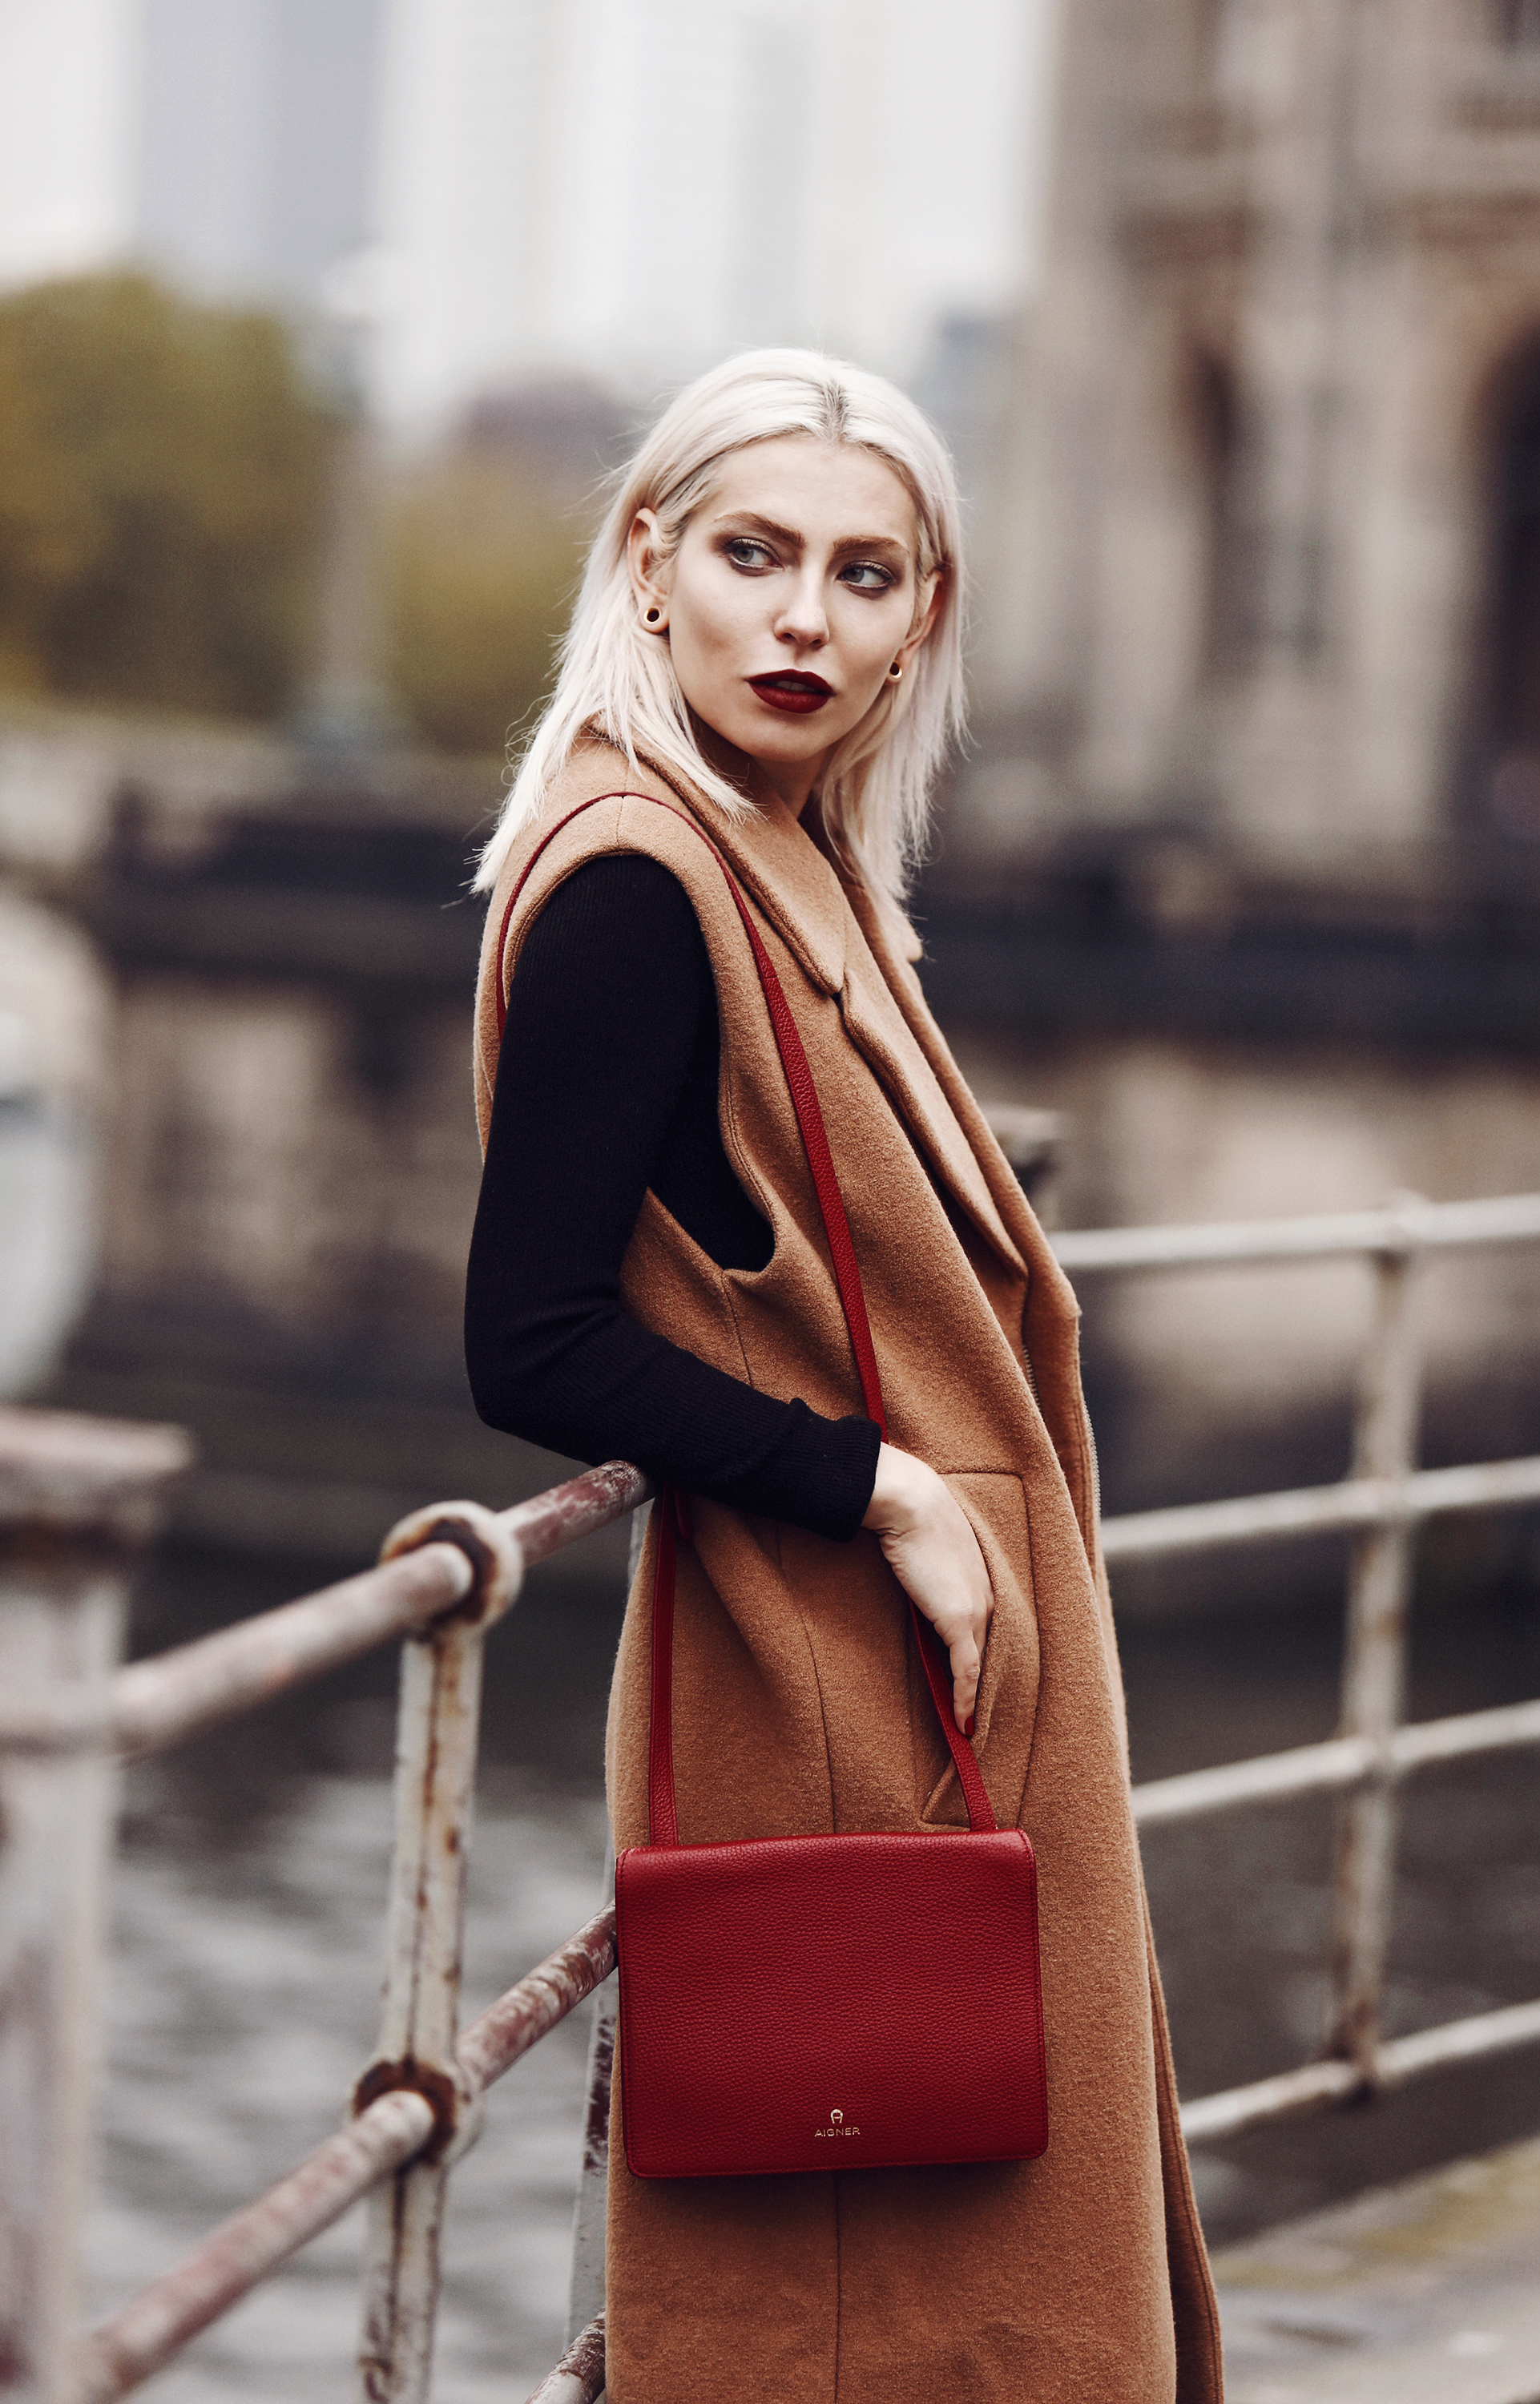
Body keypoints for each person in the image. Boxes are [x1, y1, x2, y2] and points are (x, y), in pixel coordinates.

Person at [464, 349, 1220, 2404]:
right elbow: (526, 1333)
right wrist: (878, 1487)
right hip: (833, 1682)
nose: (805, 619)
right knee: (879, 2322)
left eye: (865, 576)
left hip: (913, 1678)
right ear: (650, 566)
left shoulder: (776, 849)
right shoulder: (640, 880)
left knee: (961, 2292)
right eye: (754, 555)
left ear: (921, 623)